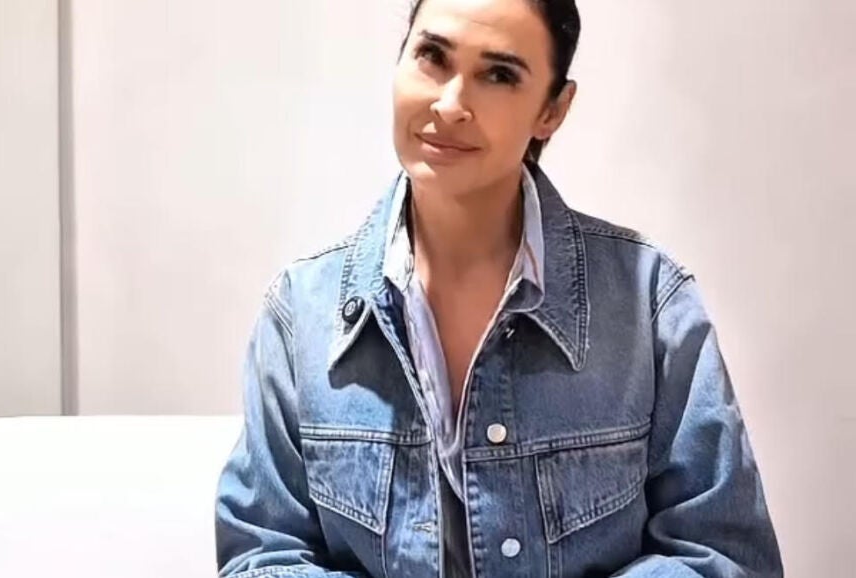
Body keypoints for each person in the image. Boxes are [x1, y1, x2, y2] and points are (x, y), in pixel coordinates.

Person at [214, 0, 783, 576]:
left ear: (552, 111)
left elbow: (723, 558)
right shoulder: (301, 312)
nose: (450, 104)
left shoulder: (650, 301)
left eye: (499, 74)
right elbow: (262, 555)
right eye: (432, 56)